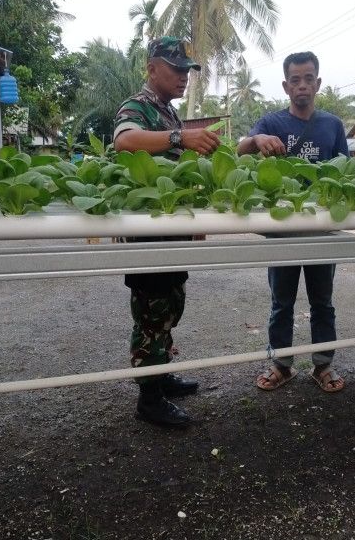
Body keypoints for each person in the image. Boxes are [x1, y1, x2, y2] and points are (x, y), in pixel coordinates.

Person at [113, 36, 220, 426]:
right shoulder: (137, 107)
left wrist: (197, 221)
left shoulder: (170, 113)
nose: (183, 77)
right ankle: (149, 399)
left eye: (187, 71)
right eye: (176, 69)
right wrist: (179, 137)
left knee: (172, 305)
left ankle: (160, 375)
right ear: (152, 68)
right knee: (152, 313)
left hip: (171, 231)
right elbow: (124, 142)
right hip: (147, 235)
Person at [237, 51, 349, 393]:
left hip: (320, 230)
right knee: (281, 303)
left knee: (322, 303)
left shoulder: (333, 125)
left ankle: (323, 365)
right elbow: (239, 149)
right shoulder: (271, 123)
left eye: (309, 78)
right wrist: (256, 140)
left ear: (318, 83)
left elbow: (348, 173)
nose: (303, 85)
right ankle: (281, 365)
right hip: (282, 230)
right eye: (296, 80)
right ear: (286, 86)